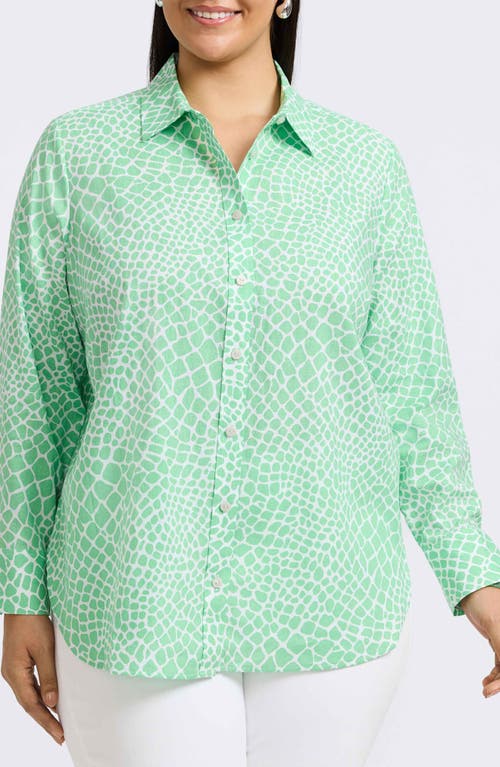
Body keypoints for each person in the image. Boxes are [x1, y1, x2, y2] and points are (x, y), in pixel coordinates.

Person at [1, 1, 500, 765]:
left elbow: (413, 394)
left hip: (331, 603)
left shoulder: (363, 166)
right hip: (134, 595)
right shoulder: (80, 154)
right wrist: (20, 593)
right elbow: (34, 396)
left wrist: (477, 578)